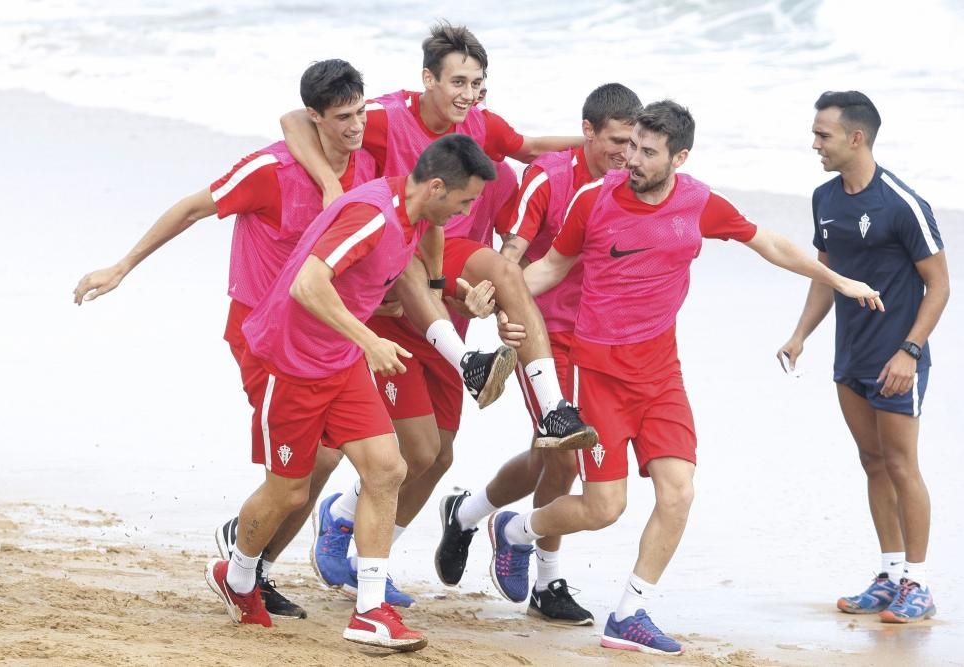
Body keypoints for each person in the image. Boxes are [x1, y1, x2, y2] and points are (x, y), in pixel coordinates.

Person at [487, 100, 885, 656]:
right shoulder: (593, 200)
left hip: (660, 376)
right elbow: (553, 265)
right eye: (631, 147)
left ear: (681, 156)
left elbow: (768, 242)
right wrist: (503, 300)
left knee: (678, 492)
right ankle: (514, 530)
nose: (632, 159)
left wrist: (835, 278)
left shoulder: (698, 203)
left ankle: (630, 611)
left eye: (648, 152)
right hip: (601, 375)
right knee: (604, 509)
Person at [72, 59, 375, 619]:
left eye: (361, 111)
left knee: (326, 460)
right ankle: (245, 565)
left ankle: (251, 560)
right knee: (294, 473)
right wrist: (121, 266)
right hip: (263, 335)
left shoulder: (366, 160)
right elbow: (191, 208)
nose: (357, 126)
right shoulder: (269, 171)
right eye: (343, 117)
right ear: (317, 117)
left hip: (323, 336)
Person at [205, 135, 496, 651]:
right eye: (465, 201)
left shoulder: (419, 216)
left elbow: (416, 273)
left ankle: (369, 610)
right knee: (287, 493)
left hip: (340, 362)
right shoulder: (373, 215)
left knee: (388, 468)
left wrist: (452, 293)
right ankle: (239, 574)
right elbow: (307, 284)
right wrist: (370, 339)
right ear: (435, 187)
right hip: (291, 362)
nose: (468, 211)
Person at [281, 22, 598, 452]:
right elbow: (296, 118)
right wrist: (329, 184)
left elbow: (531, 147)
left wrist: (605, 143)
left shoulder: (481, 125)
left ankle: (554, 410)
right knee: (396, 453)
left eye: (478, 85)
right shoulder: (386, 116)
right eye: (458, 82)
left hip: (446, 247)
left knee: (506, 272)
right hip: (391, 246)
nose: (468, 94)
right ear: (428, 78)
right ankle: (470, 364)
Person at [434, 83, 643, 627]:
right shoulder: (549, 176)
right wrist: (501, 307)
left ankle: (467, 512)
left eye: (634, 141)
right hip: (542, 336)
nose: (626, 151)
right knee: (565, 456)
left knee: (541, 459)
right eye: (617, 140)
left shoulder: (631, 178)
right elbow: (512, 255)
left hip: (602, 338)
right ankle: (548, 580)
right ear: (589, 130)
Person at [777, 90, 948, 624]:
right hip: (848, 358)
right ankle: (890, 573)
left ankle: (918, 583)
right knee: (872, 462)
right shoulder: (825, 198)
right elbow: (826, 275)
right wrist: (800, 333)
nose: (814, 143)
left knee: (901, 464)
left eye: (822, 134)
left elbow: (939, 286)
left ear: (857, 137)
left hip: (897, 359)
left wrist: (909, 351)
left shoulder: (902, 203)